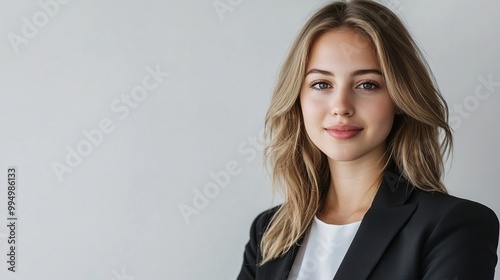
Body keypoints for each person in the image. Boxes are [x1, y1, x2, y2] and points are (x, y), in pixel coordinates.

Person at [236, 0, 499, 279]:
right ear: (297, 98)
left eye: (367, 85)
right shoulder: (270, 231)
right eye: (321, 84)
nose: (341, 106)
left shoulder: (453, 226)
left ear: (399, 97)